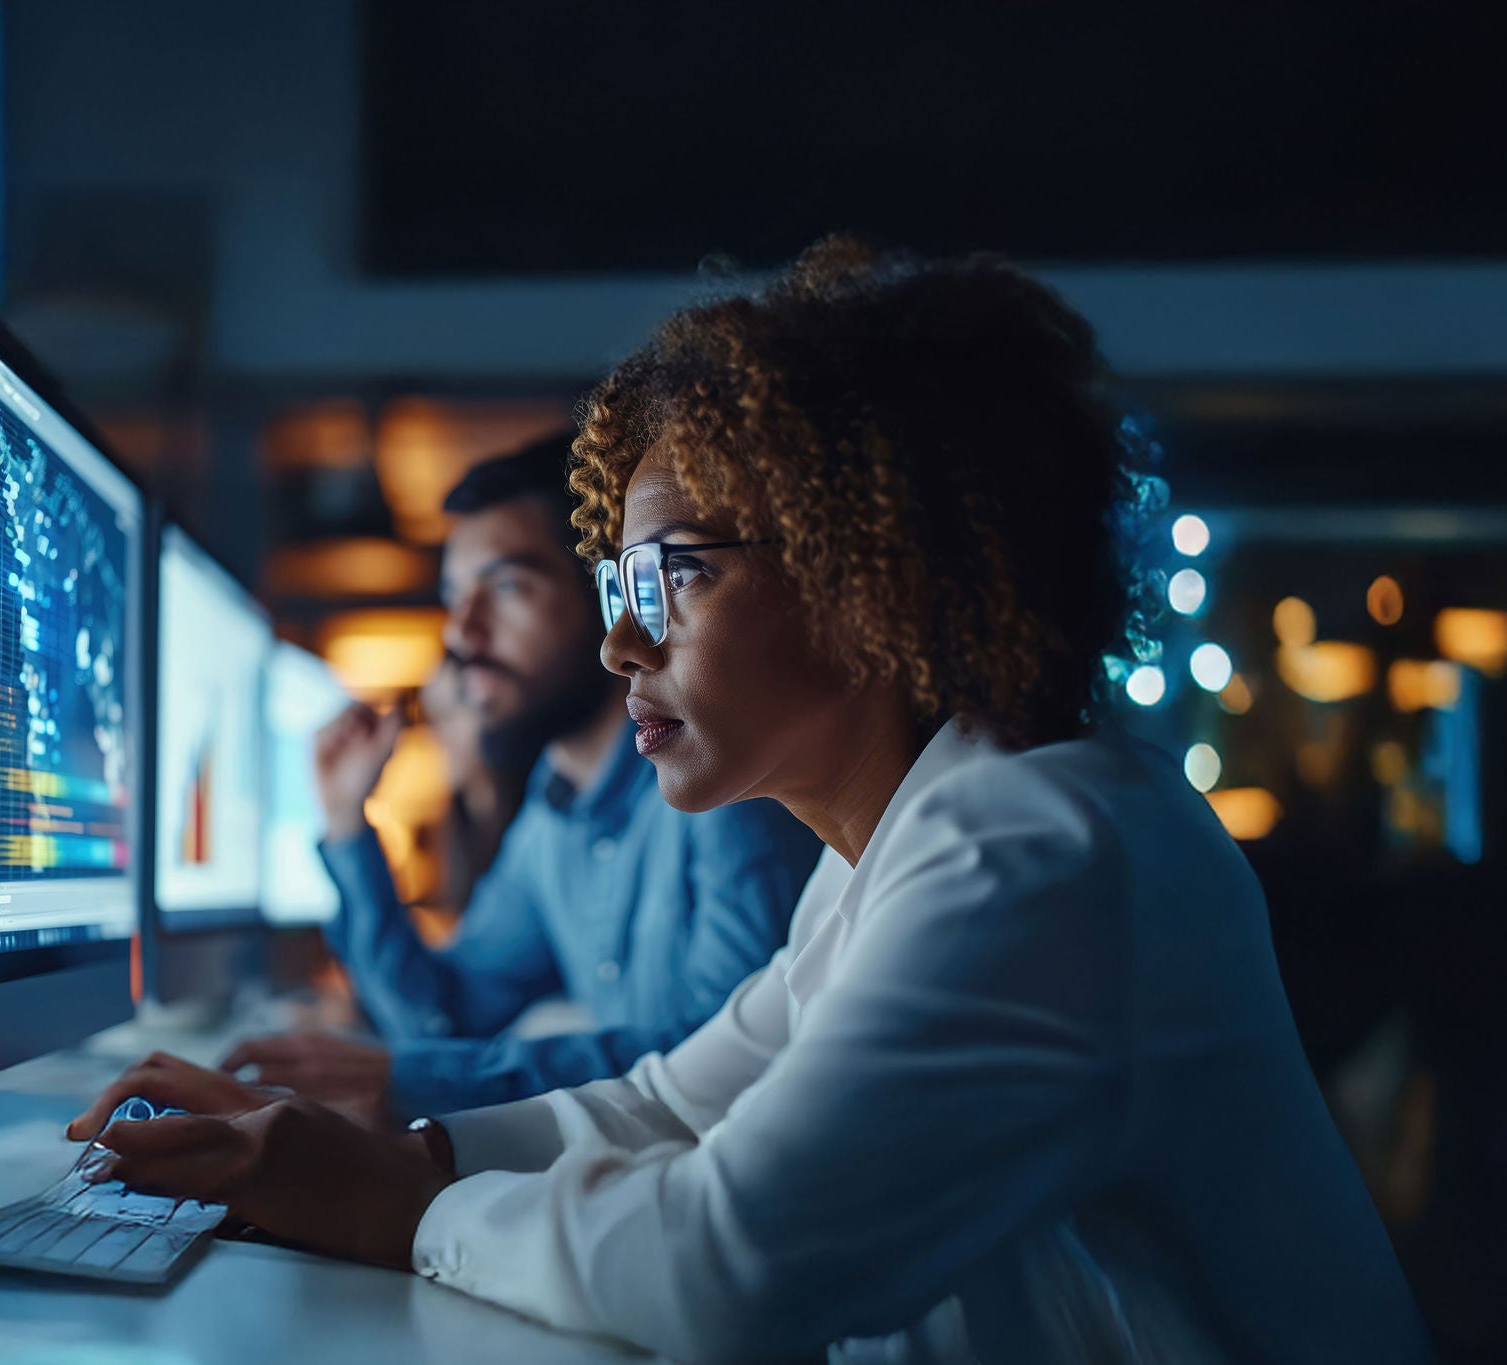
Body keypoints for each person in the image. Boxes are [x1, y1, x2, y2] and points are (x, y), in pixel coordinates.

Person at [70, 240, 1431, 1363]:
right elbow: (667, 1103)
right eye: (618, 592)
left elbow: (722, 1269)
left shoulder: (1041, 847)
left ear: (872, 572)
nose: (622, 647)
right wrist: (393, 1149)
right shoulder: (893, 843)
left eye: (676, 580)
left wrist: (395, 1202)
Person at [225, 436, 820, 1118]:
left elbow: (719, 1061)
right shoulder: (551, 815)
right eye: (455, 597)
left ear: (606, 596)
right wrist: (344, 823)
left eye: (507, 587)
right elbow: (440, 1020)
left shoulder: (720, 775)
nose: (462, 634)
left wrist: (406, 1078)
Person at [417, 654, 537, 915]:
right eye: (432, 720)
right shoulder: (457, 825)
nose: (437, 735)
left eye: (449, 714)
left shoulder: (536, 820)